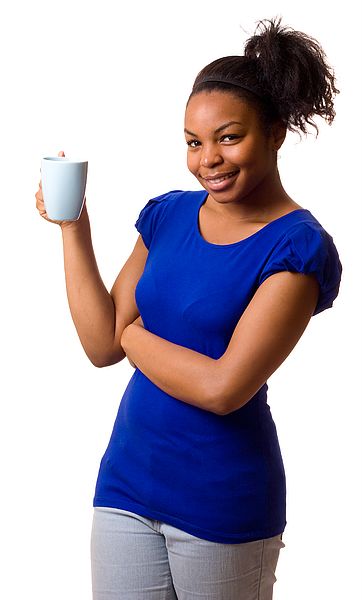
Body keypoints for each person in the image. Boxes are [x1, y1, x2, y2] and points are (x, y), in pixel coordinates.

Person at [35, 16, 342, 600]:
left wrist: (135, 337)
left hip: (222, 507)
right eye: (193, 142)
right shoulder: (167, 215)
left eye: (229, 137)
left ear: (275, 133)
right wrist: (73, 228)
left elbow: (224, 388)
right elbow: (101, 343)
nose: (209, 160)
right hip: (126, 486)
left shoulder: (296, 247)